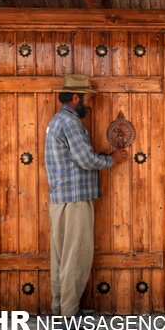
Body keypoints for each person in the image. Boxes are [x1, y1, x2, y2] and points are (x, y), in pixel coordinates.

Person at [45, 74, 129, 317]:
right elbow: (84, 159)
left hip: (62, 198)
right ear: (75, 98)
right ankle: (69, 314)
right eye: (89, 99)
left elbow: (75, 158)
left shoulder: (58, 121)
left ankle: (60, 310)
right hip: (75, 199)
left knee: (62, 257)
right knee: (76, 256)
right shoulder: (70, 122)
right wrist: (111, 160)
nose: (91, 104)